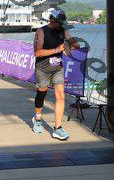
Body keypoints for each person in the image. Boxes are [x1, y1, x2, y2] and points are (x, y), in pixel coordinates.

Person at [32, 9, 80, 141]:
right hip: (42, 69)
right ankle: (37, 118)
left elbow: (76, 45)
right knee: (41, 94)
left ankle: (57, 128)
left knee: (61, 97)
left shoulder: (63, 31)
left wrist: (68, 47)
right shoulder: (41, 31)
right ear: (52, 20)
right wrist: (56, 49)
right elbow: (37, 53)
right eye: (59, 22)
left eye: (61, 22)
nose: (60, 24)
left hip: (57, 68)